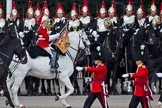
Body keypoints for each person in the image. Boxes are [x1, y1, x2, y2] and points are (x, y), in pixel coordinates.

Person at [76, 42, 109, 108]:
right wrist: (90, 79)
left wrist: (83, 68)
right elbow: (96, 75)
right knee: (87, 105)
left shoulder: (102, 67)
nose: (94, 61)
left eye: (96, 60)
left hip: (100, 89)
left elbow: (94, 70)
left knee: (105, 105)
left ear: (100, 60)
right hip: (94, 89)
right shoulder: (97, 66)